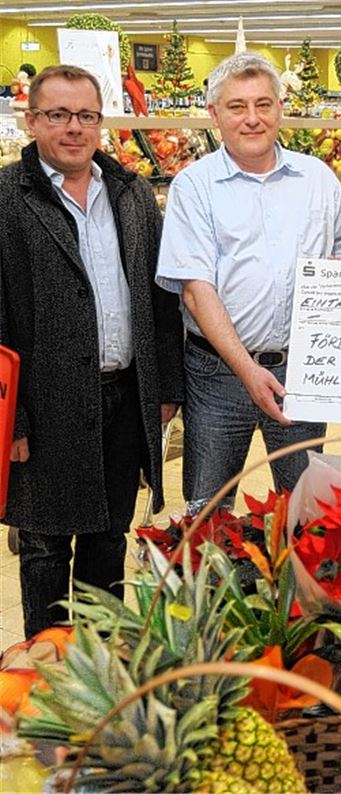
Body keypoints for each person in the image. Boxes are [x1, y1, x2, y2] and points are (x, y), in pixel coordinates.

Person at [0, 64, 183, 638]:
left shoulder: (129, 192)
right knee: (46, 547)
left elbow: (160, 296)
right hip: (44, 404)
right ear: (31, 121)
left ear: (100, 123)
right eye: (57, 115)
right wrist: (13, 419)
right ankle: (46, 681)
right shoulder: (8, 198)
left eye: (85, 116)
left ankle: (101, 666)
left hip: (124, 397)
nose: (73, 128)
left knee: (109, 537)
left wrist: (166, 387)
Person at [157, 53, 341, 513]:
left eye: (263, 105)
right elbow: (195, 288)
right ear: (215, 115)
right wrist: (248, 369)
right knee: (209, 510)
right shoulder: (194, 186)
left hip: (303, 372)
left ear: (280, 108)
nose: (252, 119)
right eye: (237, 107)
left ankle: (295, 587)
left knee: (307, 511)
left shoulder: (318, 180)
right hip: (218, 377)